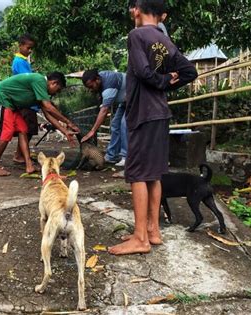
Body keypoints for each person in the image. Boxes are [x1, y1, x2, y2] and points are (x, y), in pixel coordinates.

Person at [108, 0, 198, 255]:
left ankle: (139, 239)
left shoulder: (136, 35)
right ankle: (152, 230)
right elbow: (190, 72)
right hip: (160, 112)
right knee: (153, 174)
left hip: (143, 113)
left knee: (137, 173)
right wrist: (167, 83)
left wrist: (159, 81)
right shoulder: (165, 40)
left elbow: (144, 72)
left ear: (136, 10)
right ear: (163, 16)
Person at [0, 72, 80, 176]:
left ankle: (29, 165)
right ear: (54, 83)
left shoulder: (41, 90)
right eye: (57, 90)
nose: (55, 94)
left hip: (12, 105)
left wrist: (65, 132)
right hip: (1, 98)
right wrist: (68, 122)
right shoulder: (39, 80)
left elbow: (48, 115)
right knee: (6, 132)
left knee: (23, 129)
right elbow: (49, 107)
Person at [81, 70, 128, 169]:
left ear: (97, 80)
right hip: (125, 101)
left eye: (91, 86)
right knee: (115, 124)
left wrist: (93, 131)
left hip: (136, 97)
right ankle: (112, 155)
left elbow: (104, 110)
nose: (90, 90)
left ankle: (126, 156)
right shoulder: (100, 77)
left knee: (125, 124)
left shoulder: (109, 86)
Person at [11, 34, 39, 164]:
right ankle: (19, 154)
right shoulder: (20, 62)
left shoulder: (22, 61)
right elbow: (27, 81)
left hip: (26, 101)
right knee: (27, 130)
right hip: (26, 102)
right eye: (28, 48)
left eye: (31, 48)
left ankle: (20, 153)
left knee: (27, 130)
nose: (30, 51)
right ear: (21, 46)